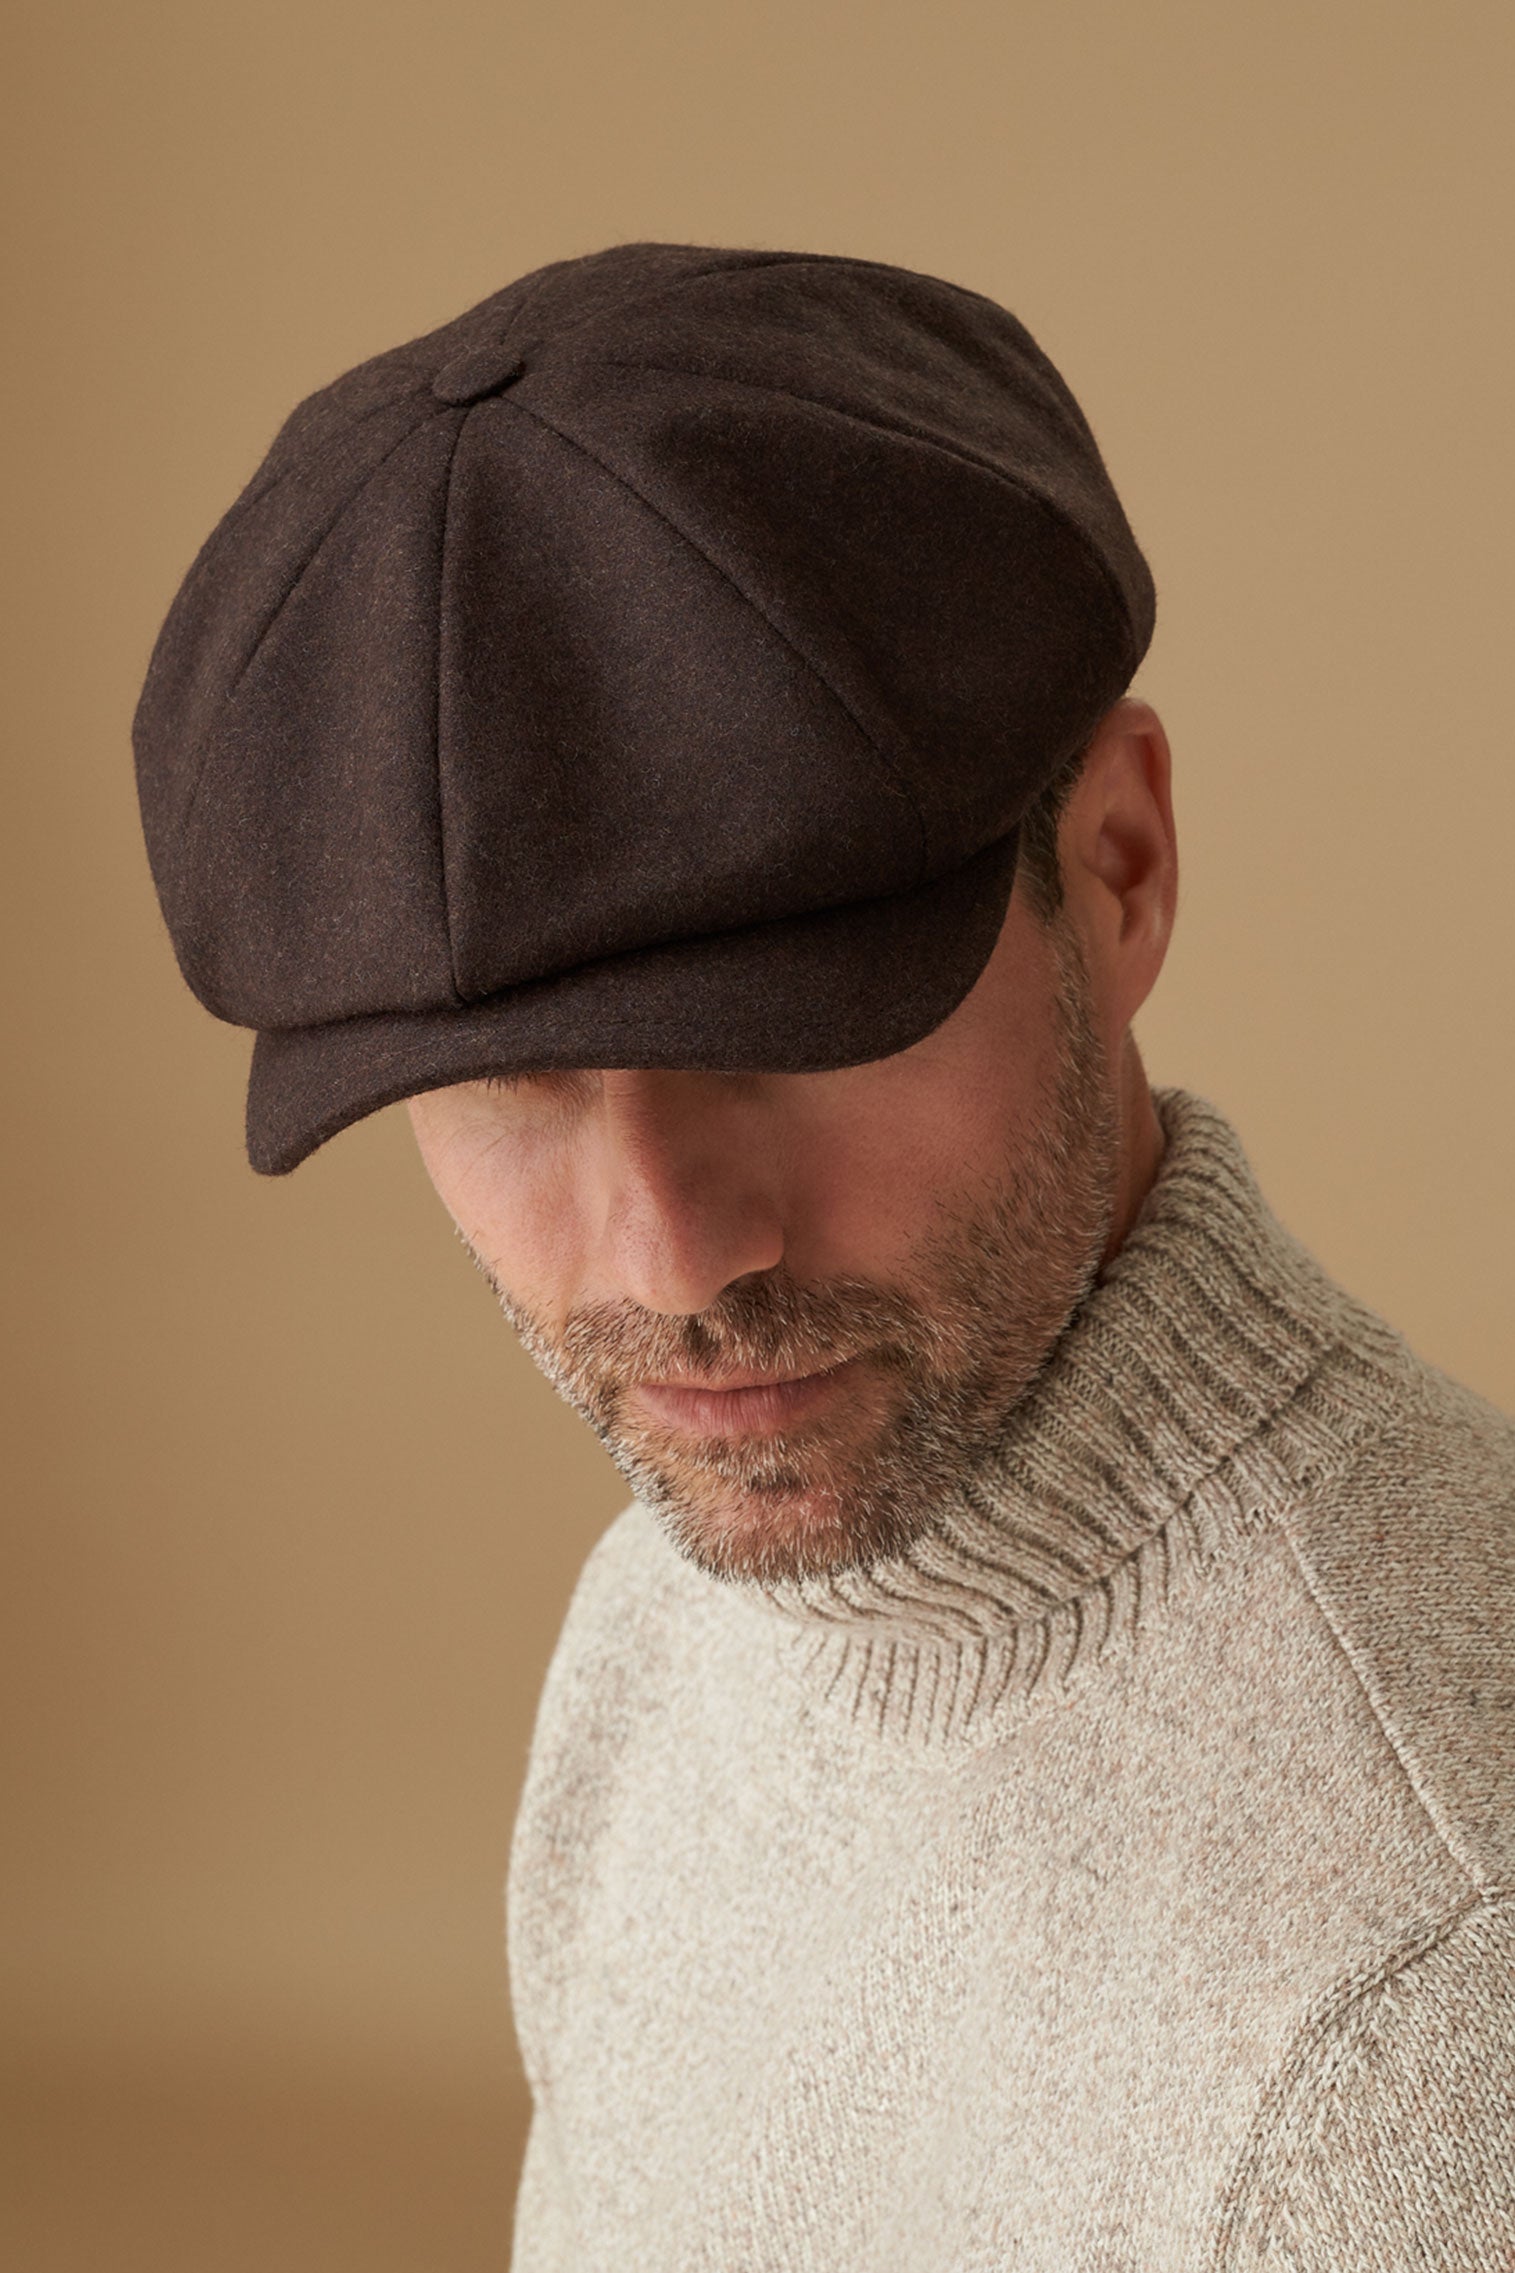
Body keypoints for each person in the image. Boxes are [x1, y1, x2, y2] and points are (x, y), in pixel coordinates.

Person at [133, 240, 1514, 2269]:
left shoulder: (1430, 2002)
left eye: (783, 1031)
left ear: (1118, 872)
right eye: (505, 1084)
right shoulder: (664, 1628)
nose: (674, 1259)